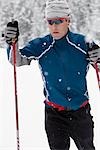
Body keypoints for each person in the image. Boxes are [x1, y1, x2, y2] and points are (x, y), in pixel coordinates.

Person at [4, 0, 100, 149]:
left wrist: (98, 57)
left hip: (81, 112)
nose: (54, 26)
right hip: (54, 114)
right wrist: (12, 43)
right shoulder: (42, 45)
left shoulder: (82, 43)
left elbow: (98, 65)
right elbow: (17, 60)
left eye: (59, 21)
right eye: (50, 22)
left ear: (68, 20)